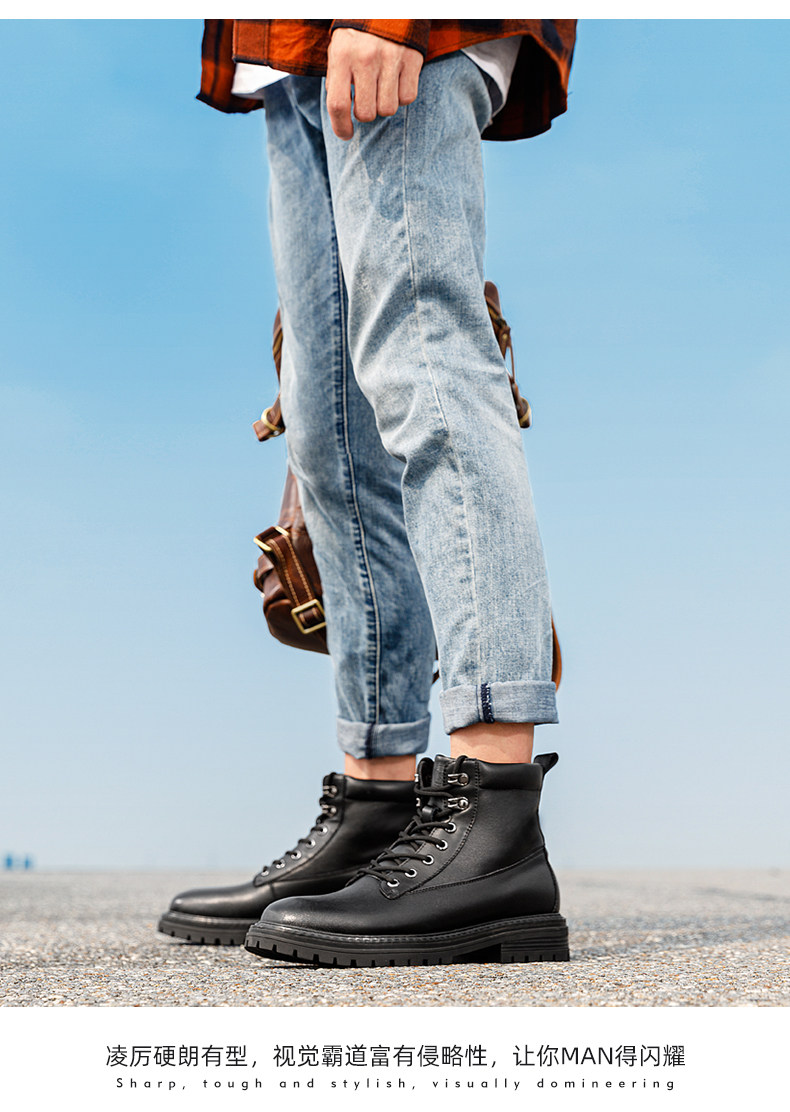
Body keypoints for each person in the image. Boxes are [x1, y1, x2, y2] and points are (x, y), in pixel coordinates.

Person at [158, 18, 577, 966]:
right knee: (327, 426)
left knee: (428, 359)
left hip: (401, 30)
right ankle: (379, 802)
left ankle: (495, 817)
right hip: (291, 50)